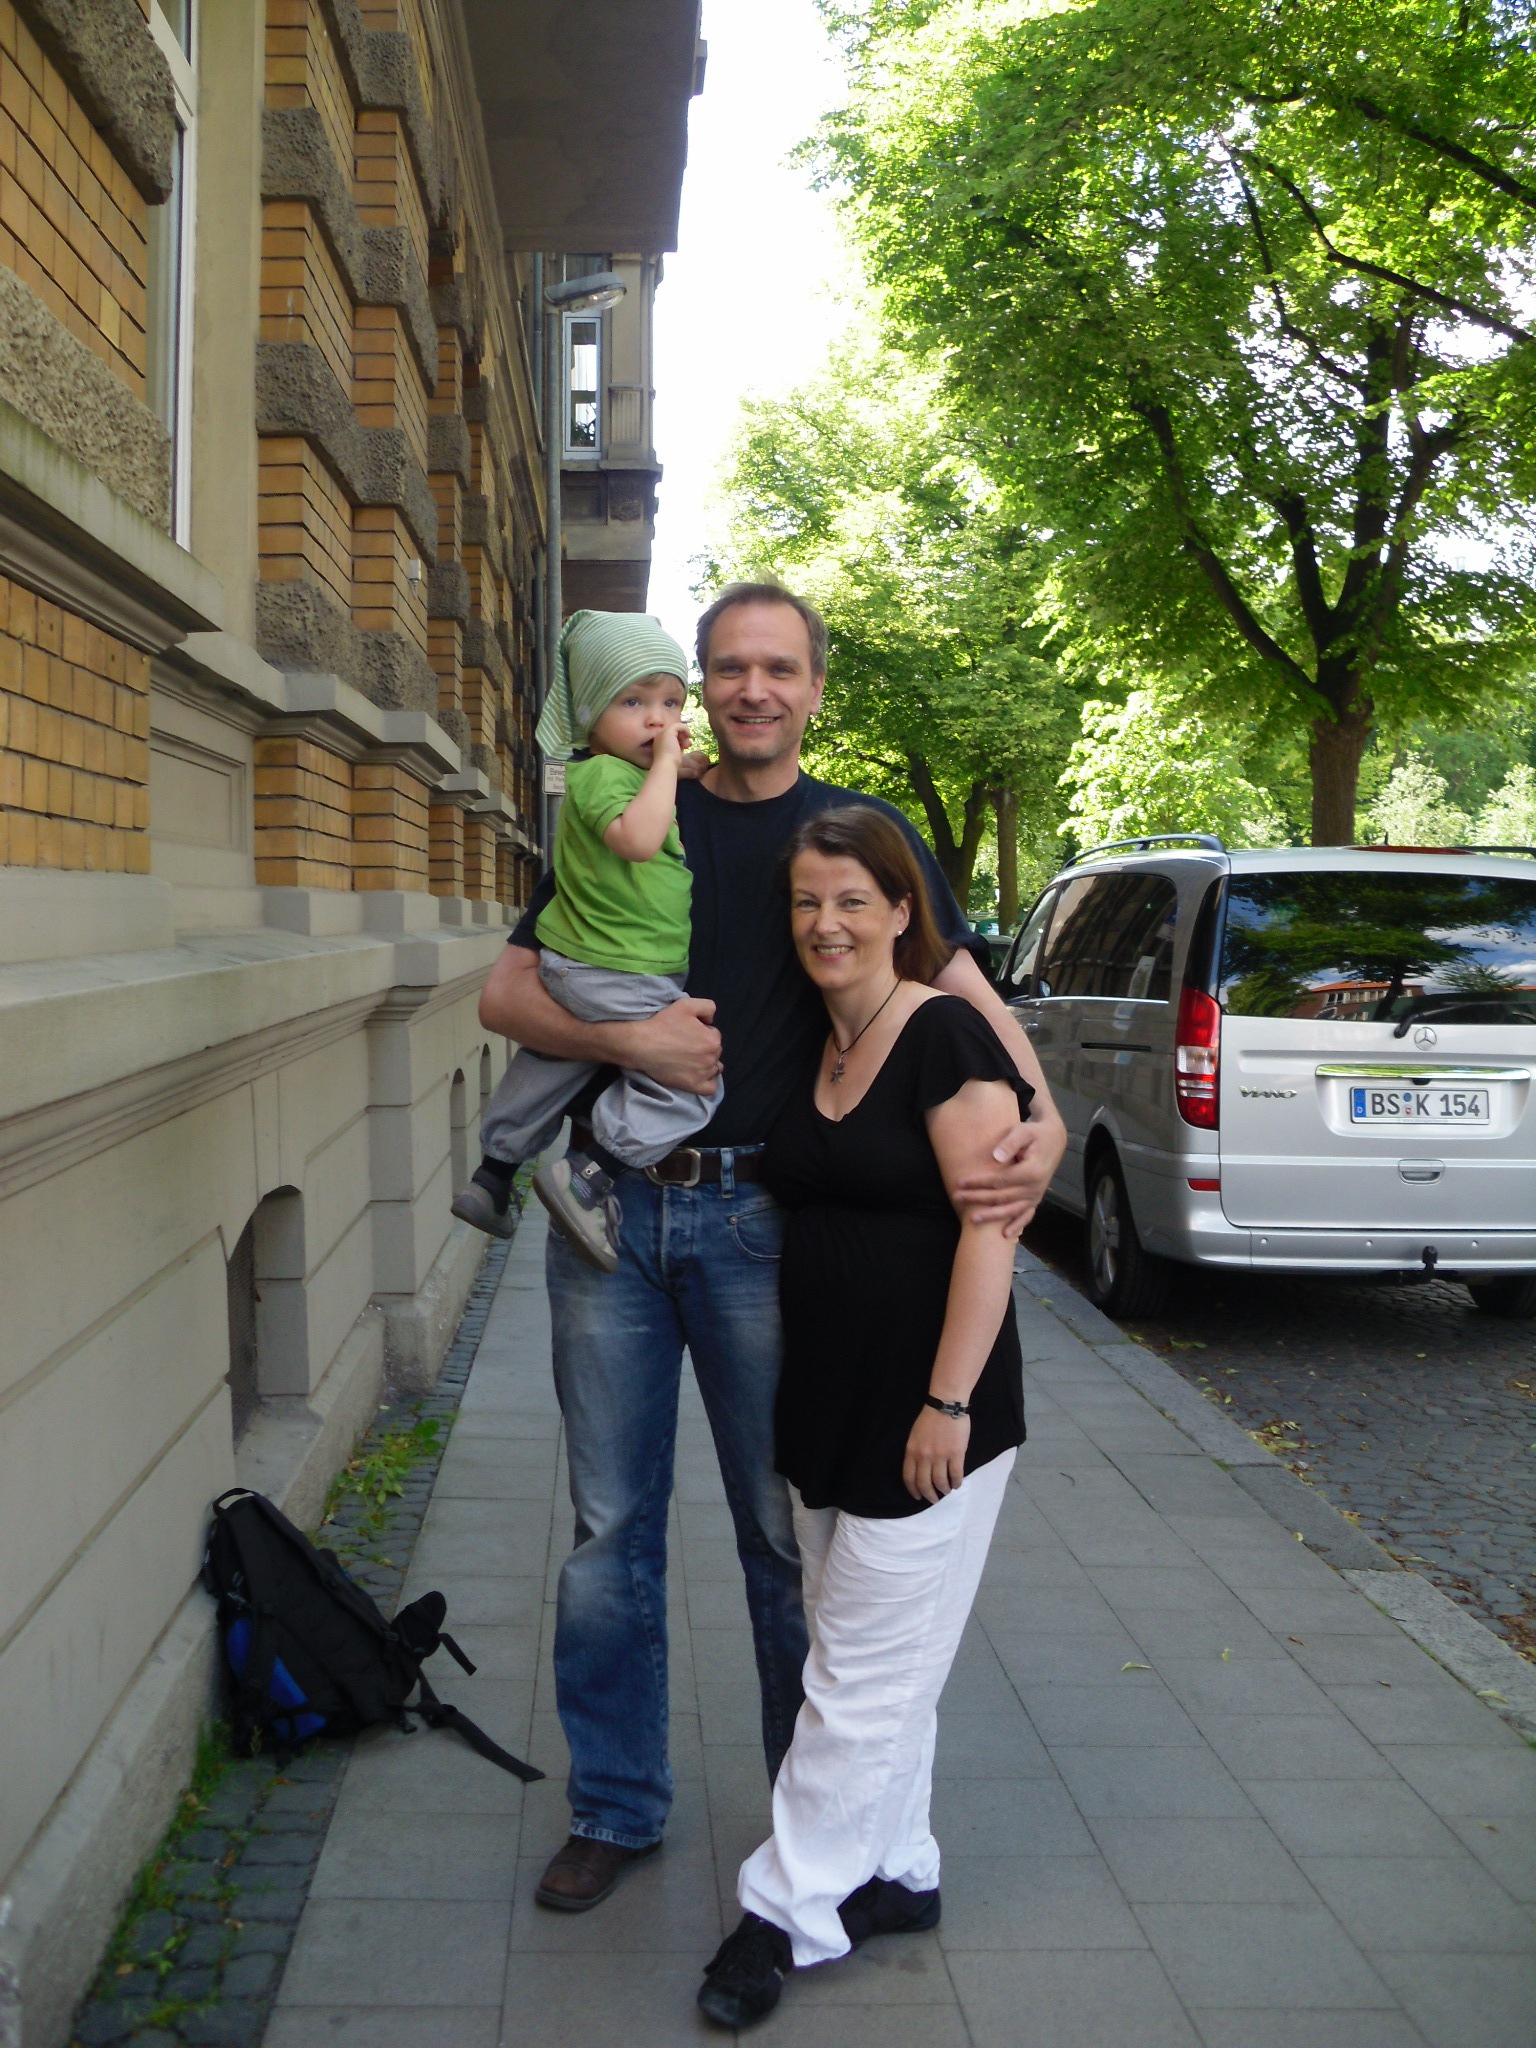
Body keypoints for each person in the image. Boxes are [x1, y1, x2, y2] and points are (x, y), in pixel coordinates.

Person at [476, 582, 1066, 1914]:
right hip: (612, 1216)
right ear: (699, 682)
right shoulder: (636, 805)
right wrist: (630, 1039)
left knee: (785, 1536)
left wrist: (1044, 1117)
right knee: (608, 1529)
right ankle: (616, 1806)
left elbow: (960, 984)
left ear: (812, 687)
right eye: (729, 667)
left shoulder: (850, 834)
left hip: (763, 1227)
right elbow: (506, 990)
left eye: (779, 668)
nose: (753, 689)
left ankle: (818, 1829)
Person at [697, 807, 1030, 2029]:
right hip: (828, 1402)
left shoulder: (942, 1032)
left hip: (930, 1410)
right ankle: (902, 1869)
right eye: (807, 901)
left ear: (901, 910)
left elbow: (993, 1228)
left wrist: (948, 1400)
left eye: (851, 899)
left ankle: (782, 1909)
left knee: (853, 1672)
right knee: (889, 1661)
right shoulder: (818, 1041)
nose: (825, 922)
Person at [452, 610, 720, 1271]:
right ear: (589, 717)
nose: (657, 719)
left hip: (584, 967)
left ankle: (493, 1175)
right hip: (623, 970)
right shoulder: (600, 774)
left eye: (671, 702)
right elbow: (639, 838)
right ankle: (589, 1177)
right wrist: (669, 767)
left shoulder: (627, 774)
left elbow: (649, 793)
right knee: (689, 1084)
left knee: (553, 1060)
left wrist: (677, 767)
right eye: (634, 703)